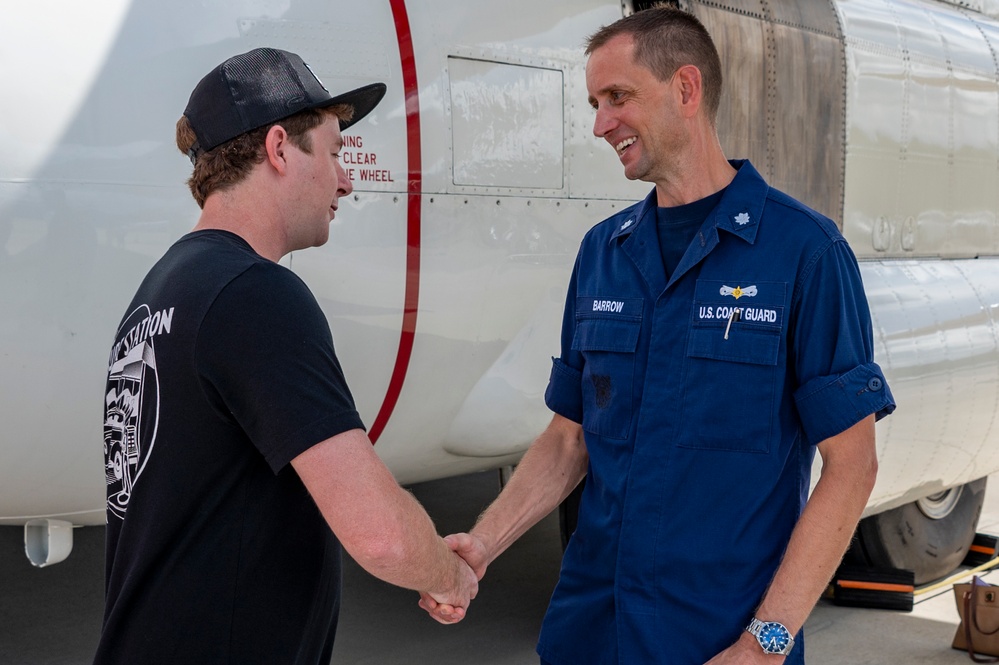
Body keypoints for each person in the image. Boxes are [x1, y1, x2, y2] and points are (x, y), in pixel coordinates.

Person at [420, 7, 896, 664]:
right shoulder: (603, 253)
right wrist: (483, 544)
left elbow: (851, 465)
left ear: (685, 89)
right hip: (590, 628)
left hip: (717, 638)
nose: (598, 123)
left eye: (617, 97)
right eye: (593, 102)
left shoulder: (803, 253)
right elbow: (569, 435)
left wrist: (766, 642)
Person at [96, 47, 476, 665]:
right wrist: (448, 574)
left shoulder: (164, 288)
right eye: (333, 152)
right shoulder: (256, 294)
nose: (346, 180)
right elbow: (379, 533)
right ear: (278, 148)